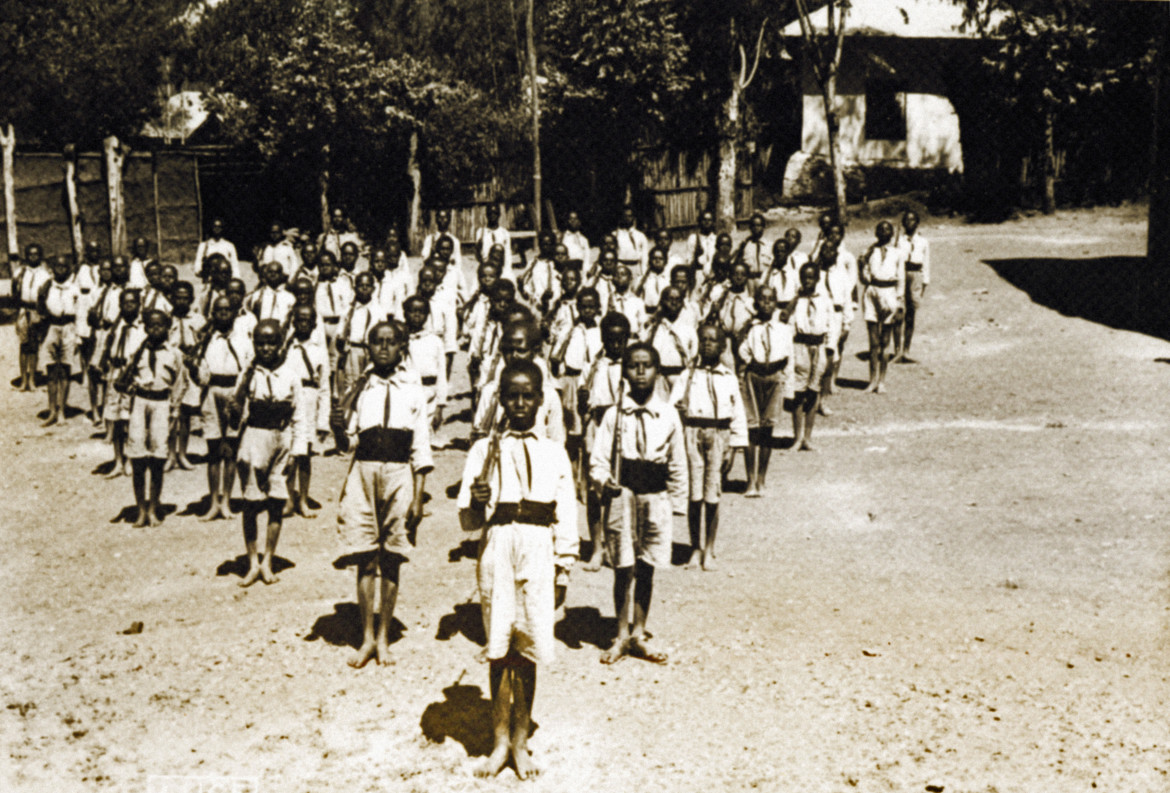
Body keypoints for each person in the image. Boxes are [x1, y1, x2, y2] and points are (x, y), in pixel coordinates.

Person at [458, 359, 578, 780]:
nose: (521, 403)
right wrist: (477, 500)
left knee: (529, 647)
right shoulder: (483, 451)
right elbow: (469, 523)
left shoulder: (553, 452)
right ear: (501, 399)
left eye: (529, 395)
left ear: (541, 400)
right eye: (513, 395)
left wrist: (564, 568)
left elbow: (566, 513)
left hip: (538, 549)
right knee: (499, 646)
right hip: (498, 548)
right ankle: (499, 741)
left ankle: (522, 741)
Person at [331, 321, 432, 667]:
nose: (384, 348)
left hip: (399, 475)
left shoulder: (412, 389)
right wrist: (340, 432)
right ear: (369, 348)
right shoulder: (362, 388)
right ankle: (367, 636)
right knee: (365, 556)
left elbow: (421, 446)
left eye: (391, 342)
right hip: (363, 474)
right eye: (378, 343)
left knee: (391, 557)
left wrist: (419, 496)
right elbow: (350, 442)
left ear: (402, 347)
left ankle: (385, 635)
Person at [591, 343, 686, 664]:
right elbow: (599, 460)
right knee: (623, 565)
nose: (641, 372)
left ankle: (638, 632)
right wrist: (606, 481)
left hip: (655, 498)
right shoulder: (614, 416)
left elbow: (677, 462)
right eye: (633, 366)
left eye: (648, 365)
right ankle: (620, 634)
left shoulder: (669, 414)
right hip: (624, 497)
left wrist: (677, 502)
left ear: (658, 371)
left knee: (646, 566)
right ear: (624, 372)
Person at [230, 320, 303, 586]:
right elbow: (236, 416)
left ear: (281, 343)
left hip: (281, 441)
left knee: (275, 502)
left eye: (272, 342)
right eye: (260, 342)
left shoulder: (291, 375)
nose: (266, 348)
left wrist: (297, 449)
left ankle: (268, 559)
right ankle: (251, 562)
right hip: (254, 440)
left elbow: (299, 417)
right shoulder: (248, 374)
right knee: (251, 504)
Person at [670, 323, 747, 568]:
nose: (707, 344)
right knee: (694, 495)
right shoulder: (688, 375)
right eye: (703, 339)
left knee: (712, 494)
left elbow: (738, 414)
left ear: (723, 346)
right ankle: (695, 547)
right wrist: (679, 410)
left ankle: (710, 549)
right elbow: (672, 406)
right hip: (692, 433)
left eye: (713, 340)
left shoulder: (728, 377)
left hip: (719, 434)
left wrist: (734, 447)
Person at [120, 309, 182, 527]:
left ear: (167, 328)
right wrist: (125, 413)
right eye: (151, 325)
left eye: (160, 325)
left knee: (157, 459)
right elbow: (127, 383)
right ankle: (140, 509)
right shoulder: (137, 352)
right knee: (137, 458)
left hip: (161, 405)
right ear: (145, 327)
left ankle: (154, 507)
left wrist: (174, 412)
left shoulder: (173, 354)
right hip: (140, 403)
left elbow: (178, 385)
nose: (156, 329)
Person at [580, 312, 631, 571]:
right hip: (598, 426)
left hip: (622, 427)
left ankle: (617, 545)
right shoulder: (593, 366)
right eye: (610, 340)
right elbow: (584, 395)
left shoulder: (632, 367)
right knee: (594, 489)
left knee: (620, 486)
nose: (616, 345)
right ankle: (596, 547)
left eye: (621, 340)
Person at [195, 296, 251, 521]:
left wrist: (239, 398)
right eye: (219, 311)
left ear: (235, 313)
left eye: (228, 310)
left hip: (234, 393)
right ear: (213, 314)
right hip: (212, 392)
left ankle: (226, 499)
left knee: (230, 448)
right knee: (213, 448)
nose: (223, 314)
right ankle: (213, 501)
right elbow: (202, 373)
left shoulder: (243, 340)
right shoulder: (208, 340)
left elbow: (248, 369)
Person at [737, 287, 792, 496]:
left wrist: (789, 388)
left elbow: (789, 357)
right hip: (754, 376)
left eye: (771, 300)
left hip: (775, 378)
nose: (767, 304)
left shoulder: (783, 328)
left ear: (776, 302)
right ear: (756, 303)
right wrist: (751, 363)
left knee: (767, 429)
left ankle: (762, 479)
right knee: (751, 428)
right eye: (763, 300)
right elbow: (741, 350)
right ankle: (750, 479)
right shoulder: (751, 327)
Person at [472, 320, 563, 443]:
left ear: (534, 352)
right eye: (508, 351)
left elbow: (556, 441)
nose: (514, 355)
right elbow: (480, 434)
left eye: (521, 350)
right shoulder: (490, 391)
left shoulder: (549, 395)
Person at [284, 304, 331, 518]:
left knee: (305, 455)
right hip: (290, 399)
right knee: (289, 451)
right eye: (299, 319)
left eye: (307, 320)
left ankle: (303, 499)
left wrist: (323, 420)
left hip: (310, 401)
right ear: (293, 322)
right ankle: (287, 498)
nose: (303, 323)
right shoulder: (285, 348)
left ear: (314, 324)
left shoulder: (319, 351)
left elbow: (324, 388)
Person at [790, 263, 835, 450]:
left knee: (813, 391)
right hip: (799, 346)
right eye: (804, 278)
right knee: (798, 392)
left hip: (819, 346)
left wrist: (830, 348)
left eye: (811, 277)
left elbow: (832, 325)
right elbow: (789, 324)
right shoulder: (796, 301)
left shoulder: (825, 300)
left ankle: (808, 437)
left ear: (817, 279)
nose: (807, 281)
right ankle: (797, 436)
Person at [99, 289, 143, 478]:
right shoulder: (116, 326)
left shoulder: (142, 327)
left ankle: (131, 460)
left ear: (139, 305)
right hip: (116, 374)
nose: (129, 306)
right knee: (116, 419)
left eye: (132, 303)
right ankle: (118, 460)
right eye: (125, 303)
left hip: (133, 376)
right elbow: (106, 349)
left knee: (131, 420)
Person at [860, 221, 905, 394]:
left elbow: (900, 277)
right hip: (872, 292)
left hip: (890, 293)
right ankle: (871, 380)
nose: (884, 232)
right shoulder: (870, 251)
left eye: (887, 229)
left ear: (892, 233)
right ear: (876, 232)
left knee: (885, 341)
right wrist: (862, 263)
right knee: (873, 342)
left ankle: (881, 381)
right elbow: (865, 278)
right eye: (881, 229)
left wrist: (899, 301)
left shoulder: (898, 253)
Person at [37, 255, 82, 426]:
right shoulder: (48, 286)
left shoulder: (74, 288)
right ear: (53, 269)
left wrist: (78, 336)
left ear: (68, 269)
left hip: (69, 328)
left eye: (64, 266)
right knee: (51, 370)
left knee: (65, 370)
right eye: (58, 266)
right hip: (51, 327)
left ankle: (62, 411)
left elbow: (79, 313)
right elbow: (40, 309)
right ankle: (51, 411)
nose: (61, 269)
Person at [166, 281, 205, 471]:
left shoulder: (198, 320)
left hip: (190, 368)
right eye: (177, 298)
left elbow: (204, 343)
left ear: (191, 299)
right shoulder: (166, 319)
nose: (181, 301)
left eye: (185, 298)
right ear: (171, 298)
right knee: (172, 411)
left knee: (186, 413)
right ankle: (170, 453)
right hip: (173, 367)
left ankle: (183, 453)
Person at [401, 295, 448, 436]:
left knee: (423, 435)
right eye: (412, 311)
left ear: (427, 315)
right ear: (404, 313)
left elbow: (441, 374)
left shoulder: (435, 341)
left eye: (421, 312)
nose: (417, 315)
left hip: (428, 393)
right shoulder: (399, 339)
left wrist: (440, 406)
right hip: (405, 393)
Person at [645, 286, 698, 398]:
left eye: (678, 300)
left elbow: (694, 355)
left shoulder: (688, 329)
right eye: (670, 299)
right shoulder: (654, 327)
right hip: (658, 377)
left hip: (680, 377)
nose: (674, 303)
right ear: (663, 301)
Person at [338, 271, 382, 397]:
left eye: (367, 286)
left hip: (371, 351)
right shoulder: (348, 310)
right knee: (351, 385)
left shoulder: (378, 310)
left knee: (370, 385)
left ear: (373, 289)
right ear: (354, 288)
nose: (364, 288)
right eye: (360, 285)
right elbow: (340, 334)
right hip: (353, 350)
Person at [315, 251, 353, 398]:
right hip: (321, 324)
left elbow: (348, 307)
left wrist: (342, 329)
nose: (325, 268)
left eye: (328, 265)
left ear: (335, 266)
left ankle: (336, 394)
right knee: (322, 360)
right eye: (322, 265)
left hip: (337, 324)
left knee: (336, 360)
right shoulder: (316, 285)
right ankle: (324, 392)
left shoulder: (342, 284)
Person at [894, 210, 929, 363]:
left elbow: (926, 264)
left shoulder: (923, 242)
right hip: (901, 274)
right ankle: (897, 351)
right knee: (898, 313)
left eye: (913, 220)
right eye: (906, 220)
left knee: (911, 313)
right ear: (903, 224)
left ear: (917, 222)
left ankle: (906, 350)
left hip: (915, 275)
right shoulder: (898, 241)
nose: (909, 223)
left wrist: (923, 284)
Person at [13, 243, 49, 391]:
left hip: (36, 311)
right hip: (23, 310)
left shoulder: (45, 275)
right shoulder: (20, 272)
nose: (33, 257)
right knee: (23, 345)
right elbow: (14, 292)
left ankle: (32, 379)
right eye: (30, 254)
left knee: (34, 346)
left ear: (40, 256)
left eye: (36, 254)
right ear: (26, 256)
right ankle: (23, 379)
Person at [608, 264, 647, 337]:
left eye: (623, 274)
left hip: (632, 338)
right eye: (616, 274)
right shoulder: (608, 299)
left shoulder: (638, 302)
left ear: (630, 279)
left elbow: (642, 326)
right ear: (612, 279)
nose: (619, 277)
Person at [613, 207, 649, 279]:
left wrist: (643, 272)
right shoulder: (615, 235)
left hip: (635, 267)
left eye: (630, 216)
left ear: (633, 218)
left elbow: (644, 256)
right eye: (625, 216)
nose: (627, 218)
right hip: (621, 266)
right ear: (621, 217)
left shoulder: (640, 236)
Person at [735, 212, 771, 279]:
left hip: (765, 279)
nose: (756, 228)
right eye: (753, 225)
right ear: (750, 228)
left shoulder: (770, 245)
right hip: (749, 279)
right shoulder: (744, 245)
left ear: (763, 227)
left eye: (758, 225)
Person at [475, 203, 512, 269]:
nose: (492, 216)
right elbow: (478, 255)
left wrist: (507, 270)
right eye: (490, 213)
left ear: (499, 215)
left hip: (500, 267)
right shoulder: (481, 232)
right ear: (486, 214)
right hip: (485, 266)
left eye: (495, 213)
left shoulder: (504, 233)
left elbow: (507, 255)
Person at [637, 247, 671, 316]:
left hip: (665, 314)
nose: (657, 261)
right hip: (647, 313)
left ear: (666, 261)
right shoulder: (642, 279)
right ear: (650, 260)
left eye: (661, 258)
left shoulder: (669, 279)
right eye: (654, 258)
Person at [685, 210, 718, 279]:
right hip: (698, 275)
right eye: (704, 220)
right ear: (700, 221)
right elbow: (688, 261)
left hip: (713, 275)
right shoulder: (693, 238)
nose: (707, 222)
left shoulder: (716, 239)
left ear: (713, 222)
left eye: (709, 220)